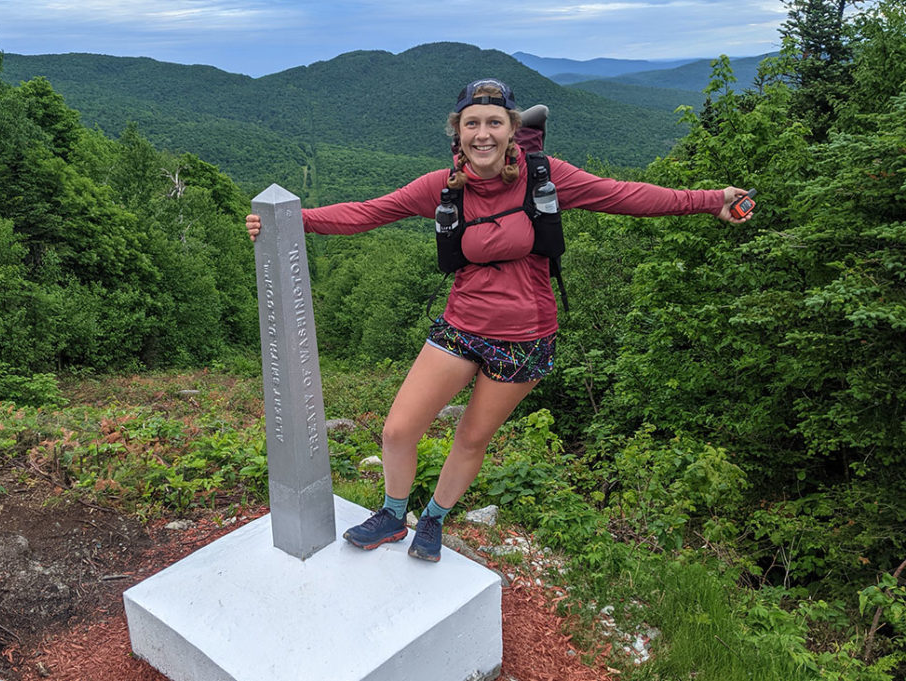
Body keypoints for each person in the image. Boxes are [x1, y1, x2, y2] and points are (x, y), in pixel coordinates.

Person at [246, 78, 753, 563]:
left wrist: (711, 202)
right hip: (460, 325)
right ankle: (394, 515)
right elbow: (369, 212)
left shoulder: (545, 177)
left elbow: (626, 196)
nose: (482, 133)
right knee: (399, 429)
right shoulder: (440, 188)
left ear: (511, 130)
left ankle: (435, 519)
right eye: (471, 124)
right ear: (458, 132)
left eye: (493, 122)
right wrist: (288, 218)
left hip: (525, 338)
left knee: (470, 438)